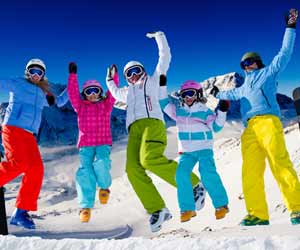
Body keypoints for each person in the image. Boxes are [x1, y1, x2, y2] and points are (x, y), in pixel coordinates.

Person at [106, 31, 205, 232]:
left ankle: (194, 185)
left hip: (153, 124)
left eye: (137, 71)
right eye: (129, 74)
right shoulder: (126, 92)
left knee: (149, 159)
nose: (134, 76)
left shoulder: (153, 81)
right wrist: (110, 80)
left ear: (143, 71)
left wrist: (160, 37)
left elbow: (165, 57)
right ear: (126, 78)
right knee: (132, 170)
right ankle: (157, 210)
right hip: (134, 130)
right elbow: (115, 93)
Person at [210, 9, 300, 225]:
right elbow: (229, 94)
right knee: (250, 172)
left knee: (279, 163)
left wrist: (290, 27)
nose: (248, 65)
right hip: (249, 129)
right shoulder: (242, 88)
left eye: (251, 62)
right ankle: (258, 214)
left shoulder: (268, 73)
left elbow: (284, 53)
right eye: (244, 64)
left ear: (258, 62)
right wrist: (216, 94)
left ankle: (296, 207)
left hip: (268, 121)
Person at [160, 78, 229, 222]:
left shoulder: (204, 111)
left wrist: (222, 111)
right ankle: (187, 209)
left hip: (204, 148)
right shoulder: (178, 111)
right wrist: (162, 85)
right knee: (181, 175)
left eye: (191, 93)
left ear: (198, 94)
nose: (188, 97)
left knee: (207, 173)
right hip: (187, 151)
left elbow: (216, 127)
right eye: (185, 94)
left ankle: (221, 205)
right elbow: (163, 102)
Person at [0, 58, 56, 229]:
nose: (35, 75)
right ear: (27, 72)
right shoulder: (17, 83)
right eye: (33, 71)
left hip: (30, 135)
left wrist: (72, 83)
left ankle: (21, 212)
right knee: (20, 163)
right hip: (13, 128)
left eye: (39, 72)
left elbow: (59, 101)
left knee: (36, 169)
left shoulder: (42, 93)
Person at [67, 62, 116, 223]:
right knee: (85, 172)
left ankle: (104, 188)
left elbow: (113, 93)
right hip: (86, 145)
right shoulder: (80, 106)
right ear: (85, 94)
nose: (93, 94)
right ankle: (85, 207)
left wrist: (113, 76)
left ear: (101, 93)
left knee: (101, 162)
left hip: (102, 142)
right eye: (89, 91)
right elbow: (72, 94)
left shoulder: (106, 105)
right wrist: (73, 76)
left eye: (96, 91)